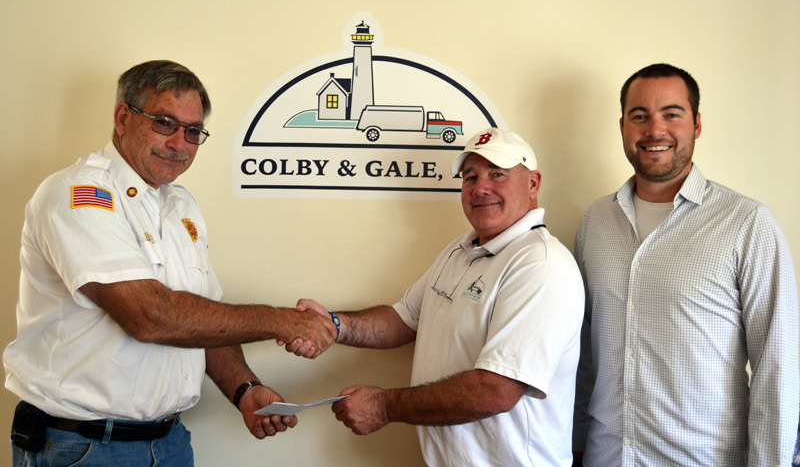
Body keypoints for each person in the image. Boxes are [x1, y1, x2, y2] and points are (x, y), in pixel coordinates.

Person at [3, 60, 337, 467]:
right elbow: (150, 316)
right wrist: (281, 321)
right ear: (123, 117)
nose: (180, 143)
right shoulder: (79, 195)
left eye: (193, 131)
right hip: (82, 447)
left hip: (169, 442)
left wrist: (245, 390)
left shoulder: (180, 206)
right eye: (164, 123)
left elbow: (203, 318)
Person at [286, 128, 585, 466]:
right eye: (470, 177)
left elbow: (496, 390)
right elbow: (403, 319)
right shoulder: (459, 251)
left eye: (497, 174)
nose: (480, 187)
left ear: (533, 183)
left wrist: (384, 406)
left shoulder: (540, 265)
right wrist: (333, 325)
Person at [572, 63, 799, 466]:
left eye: (671, 114)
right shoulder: (595, 221)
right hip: (604, 457)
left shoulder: (747, 223)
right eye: (639, 116)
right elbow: (584, 351)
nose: (654, 130)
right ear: (622, 126)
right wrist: (574, 445)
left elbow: (777, 366)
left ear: (696, 125)